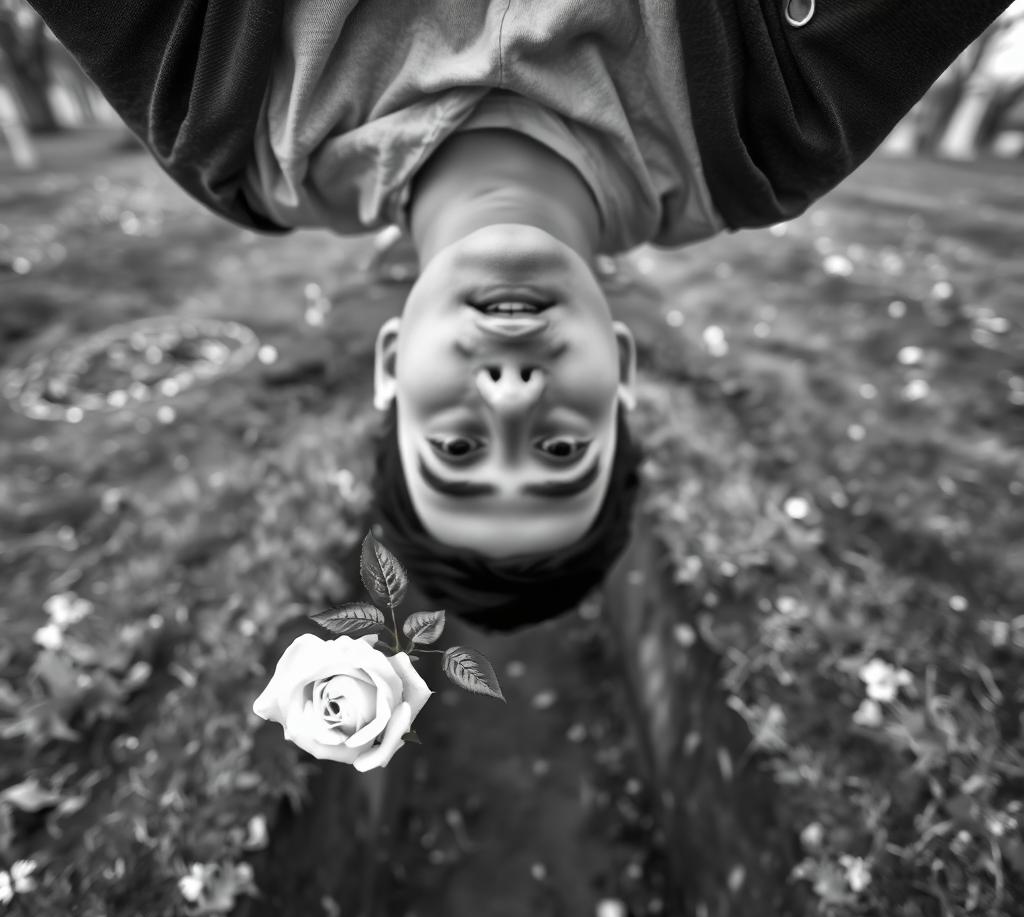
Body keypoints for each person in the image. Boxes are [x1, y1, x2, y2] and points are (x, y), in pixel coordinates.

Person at [27, 0, 1013, 631]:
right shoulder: (771, 131)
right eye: (557, 451)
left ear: (389, 365)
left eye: (456, 447)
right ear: (620, 369)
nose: (507, 393)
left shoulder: (230, 129)